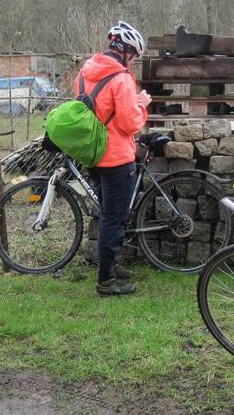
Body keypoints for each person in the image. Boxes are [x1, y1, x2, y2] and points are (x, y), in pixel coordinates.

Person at [76, 21, 152, 296]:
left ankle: (110, 267)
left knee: (108, 214)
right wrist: (141, 104)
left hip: (93, 154)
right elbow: (130, 123)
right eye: (134, 57)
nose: (133, 62)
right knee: (114, 217)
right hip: (117, 158)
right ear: (127, 52)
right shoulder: (121, 79)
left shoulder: (84, 73)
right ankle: (106, 281)